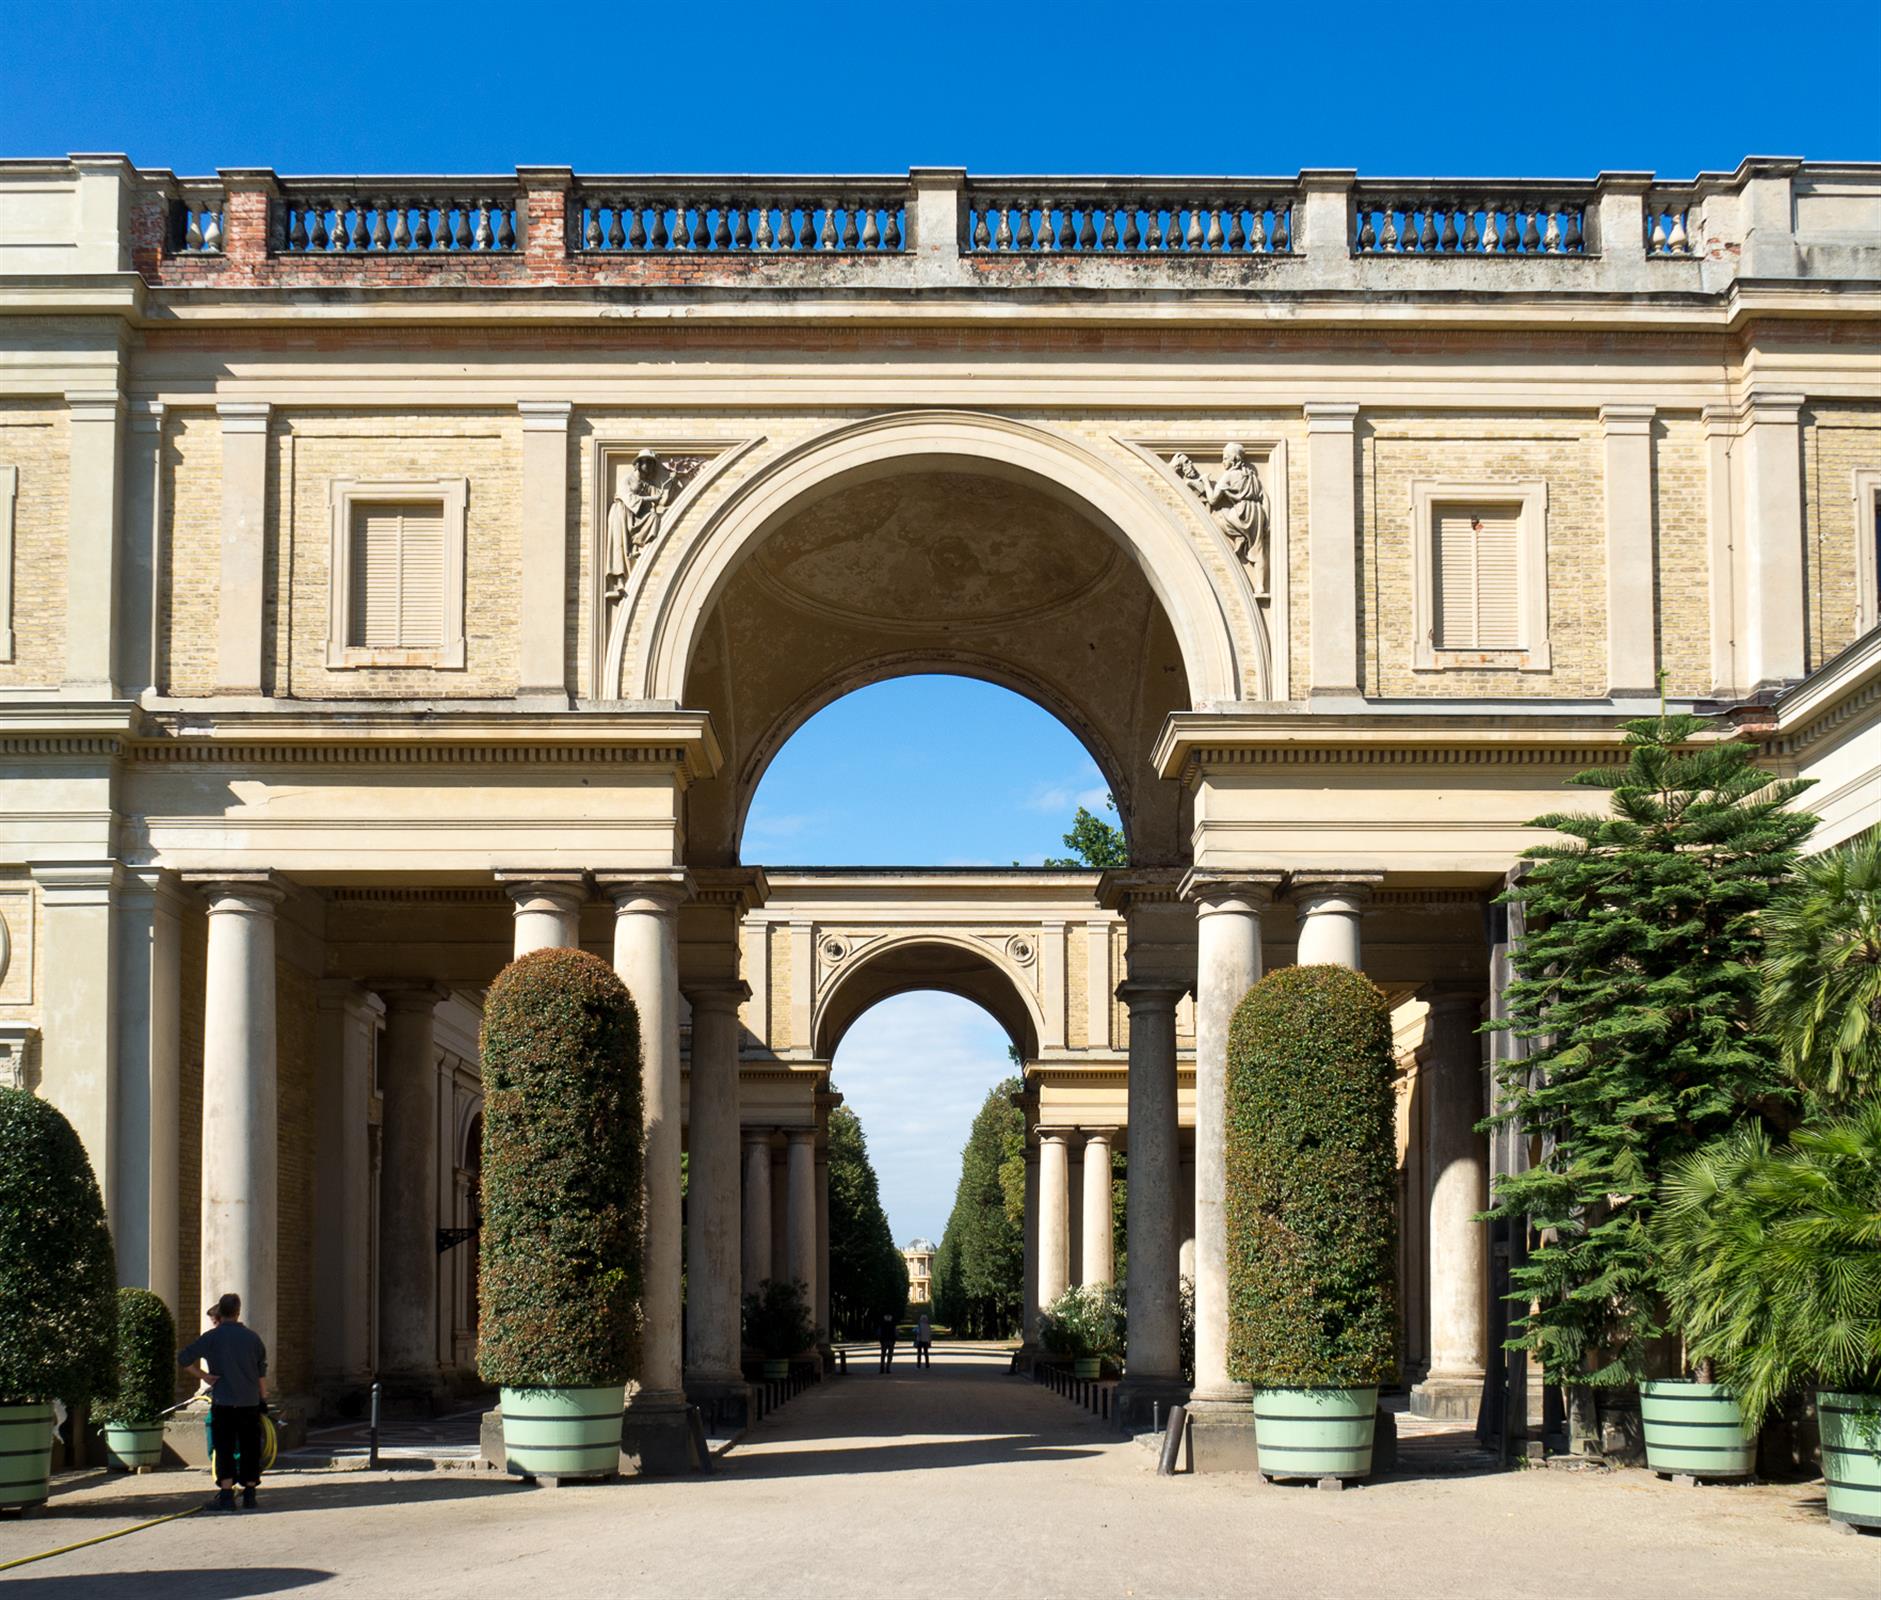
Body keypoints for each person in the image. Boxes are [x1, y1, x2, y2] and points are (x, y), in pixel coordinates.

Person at [177, 1292, 269, 1511]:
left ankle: (227, 1495)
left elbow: (183, 1358)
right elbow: (261, 1373)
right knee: (250, 1448)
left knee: (224, 1447)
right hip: (249, 1402)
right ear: (238, 1312)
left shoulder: (211, 1337)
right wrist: (263, 1398)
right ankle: (250, 1495)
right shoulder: (253, 1338)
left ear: (220, 1312)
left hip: (223, 1402)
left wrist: (204, 1376)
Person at [877, 1309, 897, 1373]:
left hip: (884, 1341)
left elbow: (879, 1333)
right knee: (889, 1356)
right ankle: (887, 1368)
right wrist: (895, 1339)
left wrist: (880, 1340)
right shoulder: (893, 1324)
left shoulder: (882, 1324)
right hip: (890, 1341)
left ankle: (882, 1368)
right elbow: (895, 1333)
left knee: (883, 1355)